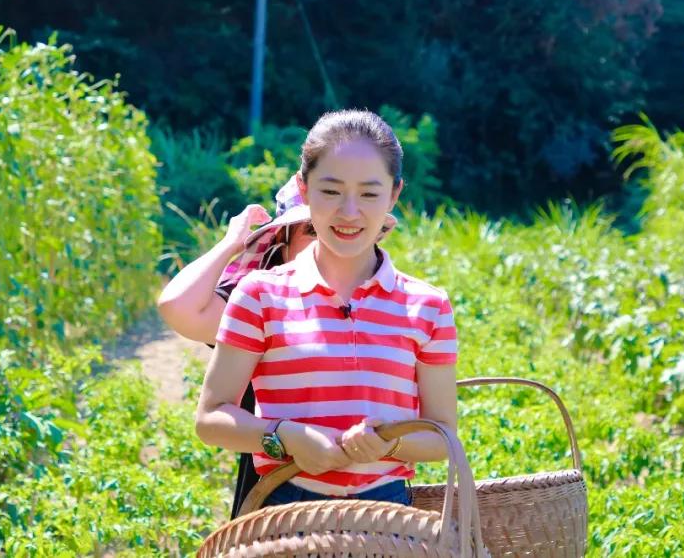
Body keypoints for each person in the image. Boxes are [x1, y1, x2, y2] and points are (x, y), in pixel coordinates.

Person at [195, 109, 458, 507]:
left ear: (394, 194)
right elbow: (211, 418)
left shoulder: (428, 306)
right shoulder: (260, 295)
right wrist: (283, 436)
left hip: (386, 516)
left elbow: (442, 435)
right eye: (331, 191)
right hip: (283, 509)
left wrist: (389, 443)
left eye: (369, 193)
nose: (349, 212)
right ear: (303, 189)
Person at [157, 175, 397, 515]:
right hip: (278, 503)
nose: (327, 240)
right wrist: (231, 243)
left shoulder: (392, 305)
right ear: (281, 246)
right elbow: (177, 306)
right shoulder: (260, 308)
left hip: (377, 504)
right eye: (311, 231)